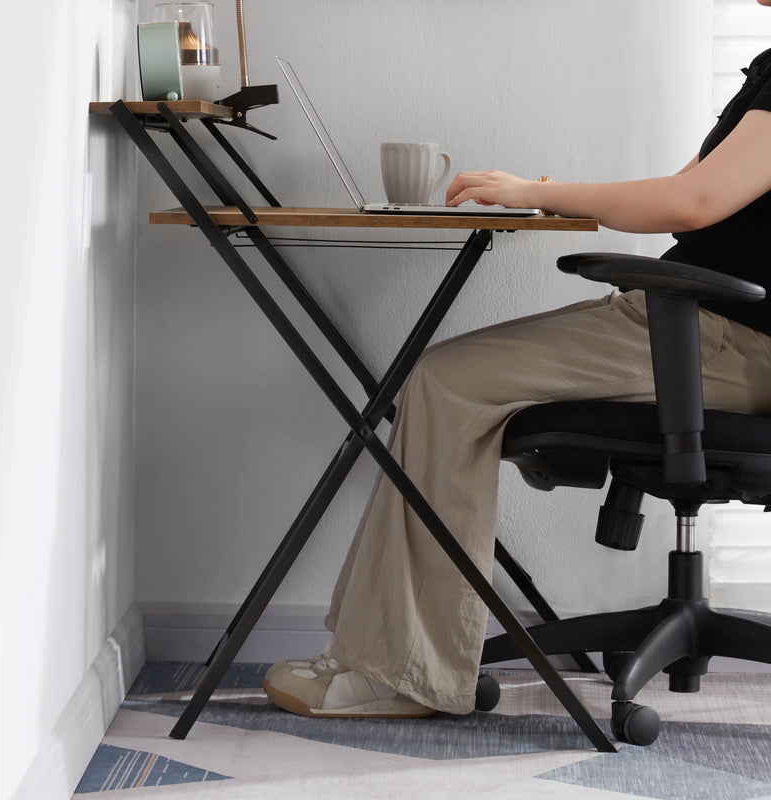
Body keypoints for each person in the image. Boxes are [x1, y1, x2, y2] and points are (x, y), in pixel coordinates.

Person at [263, 4, 771, 719]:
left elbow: (693, 203)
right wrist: (544, 191)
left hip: (722, 337)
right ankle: (390, 654)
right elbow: (683, 190)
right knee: (450, 378)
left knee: (447, 382)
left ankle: (404, 673)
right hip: (702, 326)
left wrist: (537, 193)